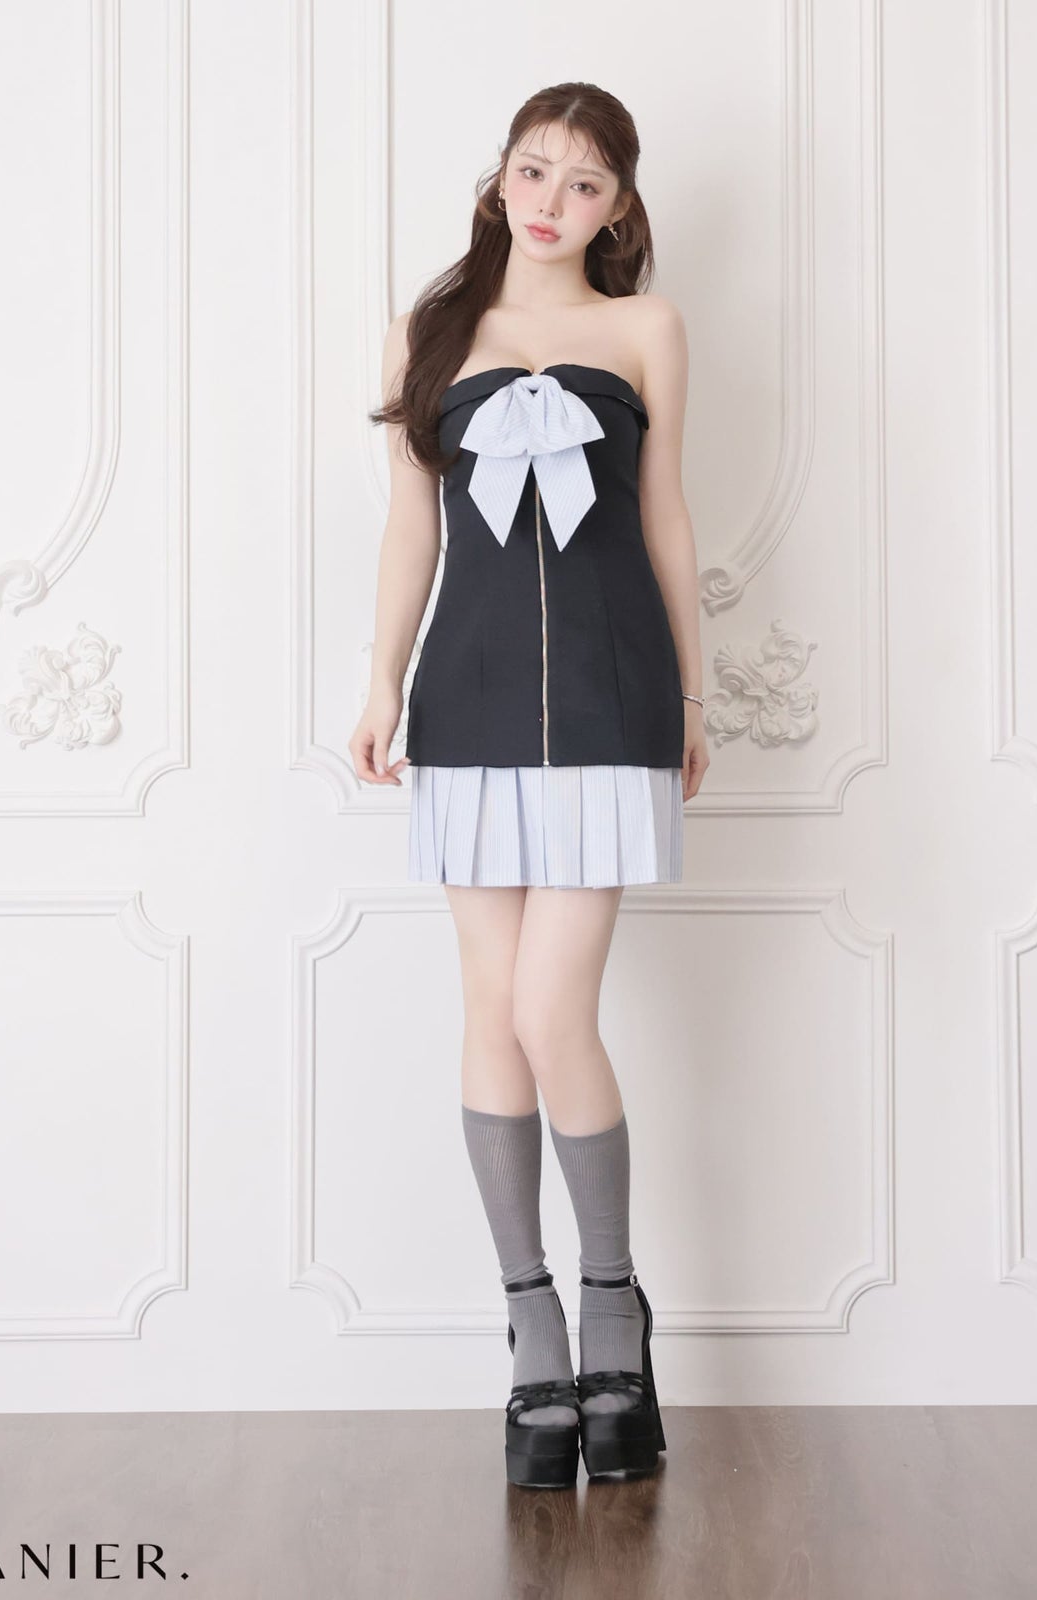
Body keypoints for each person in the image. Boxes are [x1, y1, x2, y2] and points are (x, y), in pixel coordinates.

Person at [352, 82, 708, 1488]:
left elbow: (666, 517)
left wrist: (694, 696)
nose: (553, 200)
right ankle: (533, 1328)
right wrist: (381, 683)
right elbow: (411, 527)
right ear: (500, 178)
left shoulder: (646, 329)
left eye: (585, 182)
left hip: (615, 702)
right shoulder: (431, 333)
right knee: (490, 1011)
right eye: (535, 170)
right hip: (469, 701)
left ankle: (613, 1300)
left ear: (618, 208)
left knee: (553, 1011)